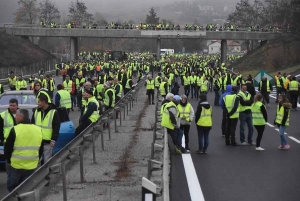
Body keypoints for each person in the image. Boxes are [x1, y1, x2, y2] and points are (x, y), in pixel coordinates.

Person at [5, 109, 43, 192]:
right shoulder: (38, 130)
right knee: (27, 189)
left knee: (12, 188)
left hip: (16, 165)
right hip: (31, 165)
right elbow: (41, 149)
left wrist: (9, 160)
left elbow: (8, 148)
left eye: (17, 115)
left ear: (21, 117)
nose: (15, 117)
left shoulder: (15, 129)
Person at [31, 94, 60, 163]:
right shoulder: (36, 111)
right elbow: (32, 125)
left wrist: (53, 139)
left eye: (39, 102)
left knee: (47, 162)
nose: (38, 103)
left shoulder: (53, 112)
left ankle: (47, 173)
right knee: (37, 162)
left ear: (44, 102)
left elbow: (56, 127)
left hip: (48, 142)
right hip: (37, 141)